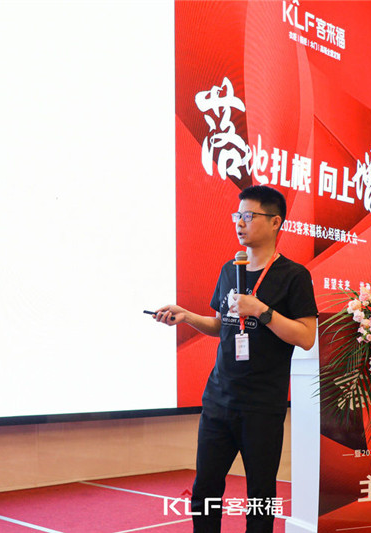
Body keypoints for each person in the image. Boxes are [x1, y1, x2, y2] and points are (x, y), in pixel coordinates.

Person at [154, 185, 318, 533]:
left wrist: (262, 311)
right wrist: (186, 316)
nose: (239, 223)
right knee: (205, 491)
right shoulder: (231, 269)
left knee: (260, 496)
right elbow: (221, 325)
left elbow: (306, 337)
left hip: (262, 405)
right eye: (237, 215)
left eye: (248, 216)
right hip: (219, 399)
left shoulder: (294, 276)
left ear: (275, 222)